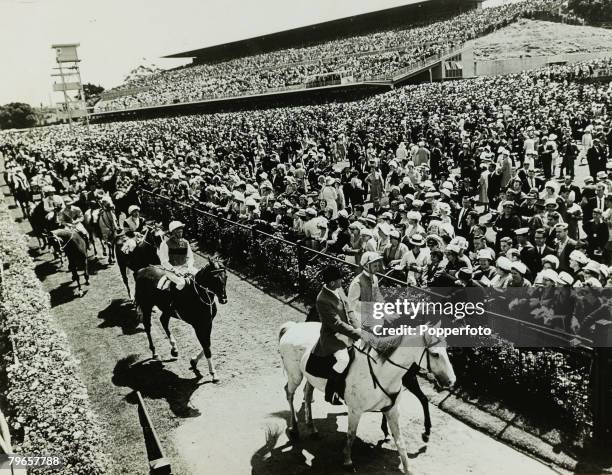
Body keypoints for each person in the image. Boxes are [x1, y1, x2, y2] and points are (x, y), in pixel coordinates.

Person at [312, 265, 362, 405]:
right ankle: (331, 392)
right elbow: (336, 324)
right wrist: (356, 334)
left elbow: (348, 309)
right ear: (332, 282)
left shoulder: (338, 289)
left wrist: (358, 328)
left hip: (348, 330)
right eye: (340, 279)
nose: (342, 282)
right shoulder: (322, 299)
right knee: (343, 360)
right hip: (333, 337)